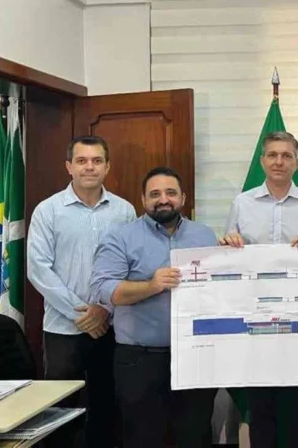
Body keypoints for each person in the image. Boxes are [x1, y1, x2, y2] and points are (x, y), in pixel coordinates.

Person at [91, 167, 217, 448]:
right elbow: (105, 290)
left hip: (195, 356)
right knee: (143, 437)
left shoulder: (205, 235)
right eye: (155, 194)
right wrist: (151, 285)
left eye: (171, 193)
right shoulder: (120, 237)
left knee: (195, 434)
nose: (163, 199)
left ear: (183, 198)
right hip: (140, 360)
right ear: (143, 199)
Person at [221, 131, 298, 448]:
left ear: (297, 162)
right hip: (256, 319)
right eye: (272, 155)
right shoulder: (242, 203)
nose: (279, 161)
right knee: (261, 405)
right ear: (262, 161)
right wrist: (229, 244)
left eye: (286, 156)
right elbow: (228, 257)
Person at [27, 135, 135, 448]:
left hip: (112, 327)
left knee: (107, 406)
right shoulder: (48, 211)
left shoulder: (124, 211)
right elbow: (38, 269)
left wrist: (105, 310)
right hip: (63, 329)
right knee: (60, 411)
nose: (90, 167)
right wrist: (83, 313)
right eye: (82, 161)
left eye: (97, 160)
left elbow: (131, 267)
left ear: (107, 167)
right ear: (69, 167)